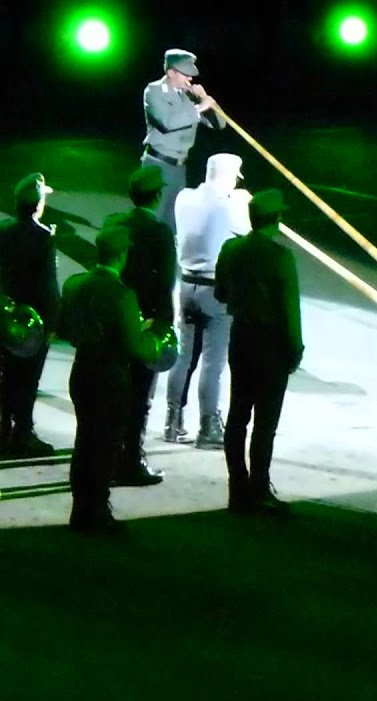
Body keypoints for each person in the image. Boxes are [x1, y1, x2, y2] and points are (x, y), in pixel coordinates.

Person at [57, 227, 164, 533]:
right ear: (121, 255)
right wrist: (150, 338)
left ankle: (80, 509)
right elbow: (134, 346)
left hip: (82, 371)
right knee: (104, 446)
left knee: (84, 441)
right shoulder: (122, 294)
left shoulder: (75, 284)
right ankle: (98, 510)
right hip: (111, 377)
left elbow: (63, 329)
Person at [215, 189, 302, 514]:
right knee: (266, 422)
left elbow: (221, 293)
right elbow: (290, 308)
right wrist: (295, 348)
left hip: (241, 338)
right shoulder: (281, 257)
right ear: (276, 219)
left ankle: (237, 487)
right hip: (271, 343)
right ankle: (260, 487)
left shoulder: (232, 248)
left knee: (238, 415)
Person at [166, 153, 251, 448]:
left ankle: (172, 421)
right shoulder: (229, 208)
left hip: (187, 287)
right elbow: (249, 232)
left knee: (185, 357)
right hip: (215, 291)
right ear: (229, 176)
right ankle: (209, 427)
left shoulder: (184, 198)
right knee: (212, 365)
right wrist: (242, 201)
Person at [103, 166, 176, 487]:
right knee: (139, 397)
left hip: (114, 321)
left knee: (113, 393)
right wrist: (164, 325)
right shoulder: (160, 232)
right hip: (144, 321)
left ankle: (109, 456)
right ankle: (131, 459)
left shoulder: (113, 223)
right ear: (157, 195)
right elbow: (165, 283)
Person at [0, 173, 59, 456]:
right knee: (28, 378)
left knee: (6, 375)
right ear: (38, 204)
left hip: (6, 316)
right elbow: (48, 286)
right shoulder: (44, 237)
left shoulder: (4, 232)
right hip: (32, 320)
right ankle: (22, 432)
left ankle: (3, 430)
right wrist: (53, 323)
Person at [142, 48, 226, 233]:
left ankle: (166, 260)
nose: (190, 78)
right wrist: (198, 109)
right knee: (151, 222)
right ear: (171, 72)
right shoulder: (154, 91)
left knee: (172, 223)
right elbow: (167, 122)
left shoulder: (187, 95)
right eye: (185, 73)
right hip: (157, 165)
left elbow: (219, 124)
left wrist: (205, 99)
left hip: (179, 168)